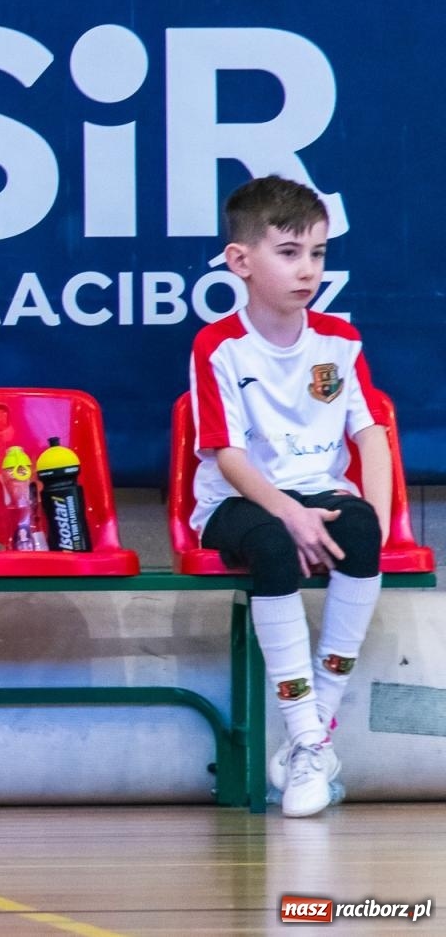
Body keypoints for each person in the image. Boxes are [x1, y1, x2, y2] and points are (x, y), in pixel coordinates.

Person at [189, 175, 390, 819]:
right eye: (289, 252)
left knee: (359, 533)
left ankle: (313, 737)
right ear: (241, 261)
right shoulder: (218, 345)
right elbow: (229, 455)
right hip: (238, 502)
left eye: (319, 253)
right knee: (274, 541)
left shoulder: (340, 340)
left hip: (321, 493)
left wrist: (378, 523)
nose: (308, 269)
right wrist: (290, 512)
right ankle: (302, 729)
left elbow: (371, 435)